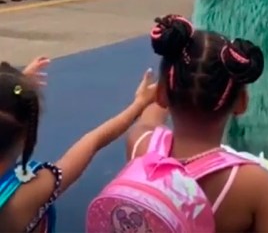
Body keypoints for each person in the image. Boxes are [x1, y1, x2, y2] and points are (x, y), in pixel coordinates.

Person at [121, 15, 268, 232]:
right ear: (242, 103)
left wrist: (154, 93)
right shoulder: (253, 183)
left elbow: (150, 116)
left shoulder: (140, 144)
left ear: (162, 92)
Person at [0, 57, 158, 231]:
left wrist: (14, 88)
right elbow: (93, 142)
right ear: (25, 136)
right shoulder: (28, 193)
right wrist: (139, 104)